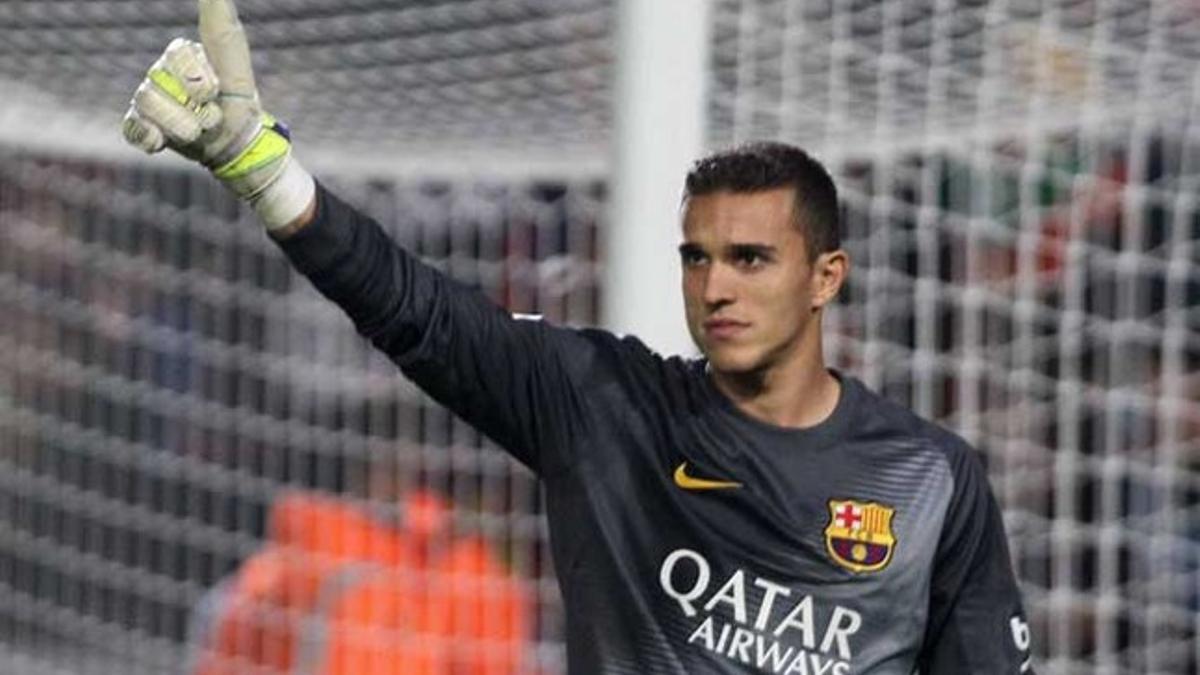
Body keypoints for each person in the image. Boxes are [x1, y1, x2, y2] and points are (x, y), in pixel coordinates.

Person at [120, 2, 1036, 672]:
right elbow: (418, 310)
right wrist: (265, 173)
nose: (715, 287)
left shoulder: (930, 480)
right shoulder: (605, 405)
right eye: (697, 257)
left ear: (825, 277)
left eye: (751, 259)